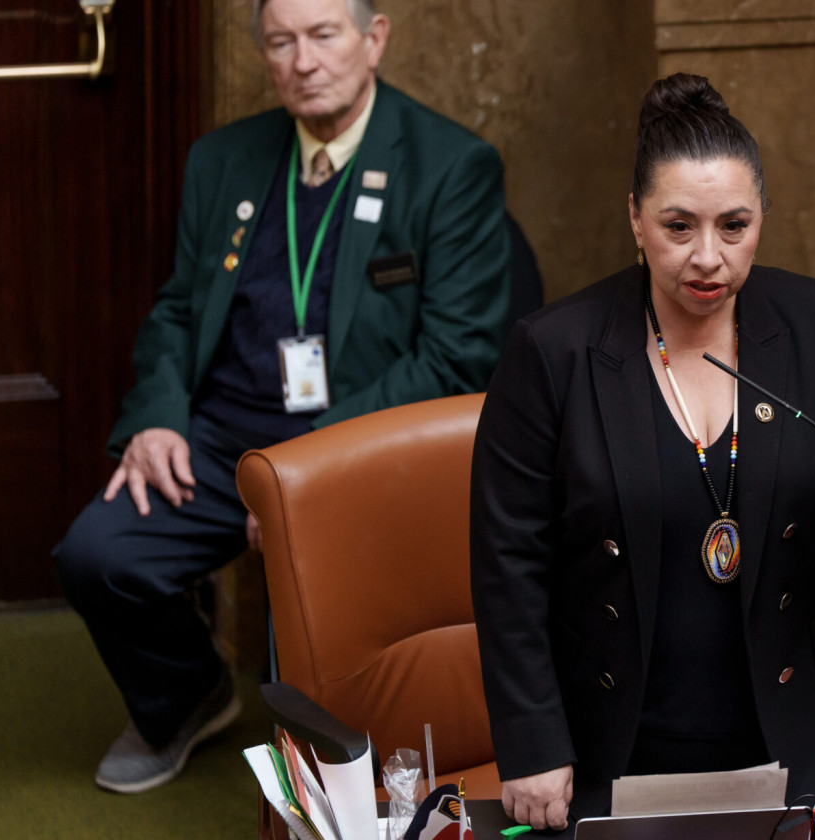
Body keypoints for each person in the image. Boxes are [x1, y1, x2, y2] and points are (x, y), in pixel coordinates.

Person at [54, 0, 510, 793]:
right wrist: (158, 418)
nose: (303, 61)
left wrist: (305, 471)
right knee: (99, 556)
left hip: (354, 448)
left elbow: (456, 357)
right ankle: (183, 697)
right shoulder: (222, 159)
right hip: (221, 436)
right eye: (281, 41)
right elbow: (177, 310)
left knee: (300, 689)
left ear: (373, 39)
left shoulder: (450, 165)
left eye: (324, 35)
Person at [470, 72, 815, 833]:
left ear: (762, 217)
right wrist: (532, 741)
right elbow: (507, 564)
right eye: (678, 227)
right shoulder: (555, 351)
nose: (708, 258)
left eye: (734, 226)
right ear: (635, 218)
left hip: (785, 724)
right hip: (614, 731)